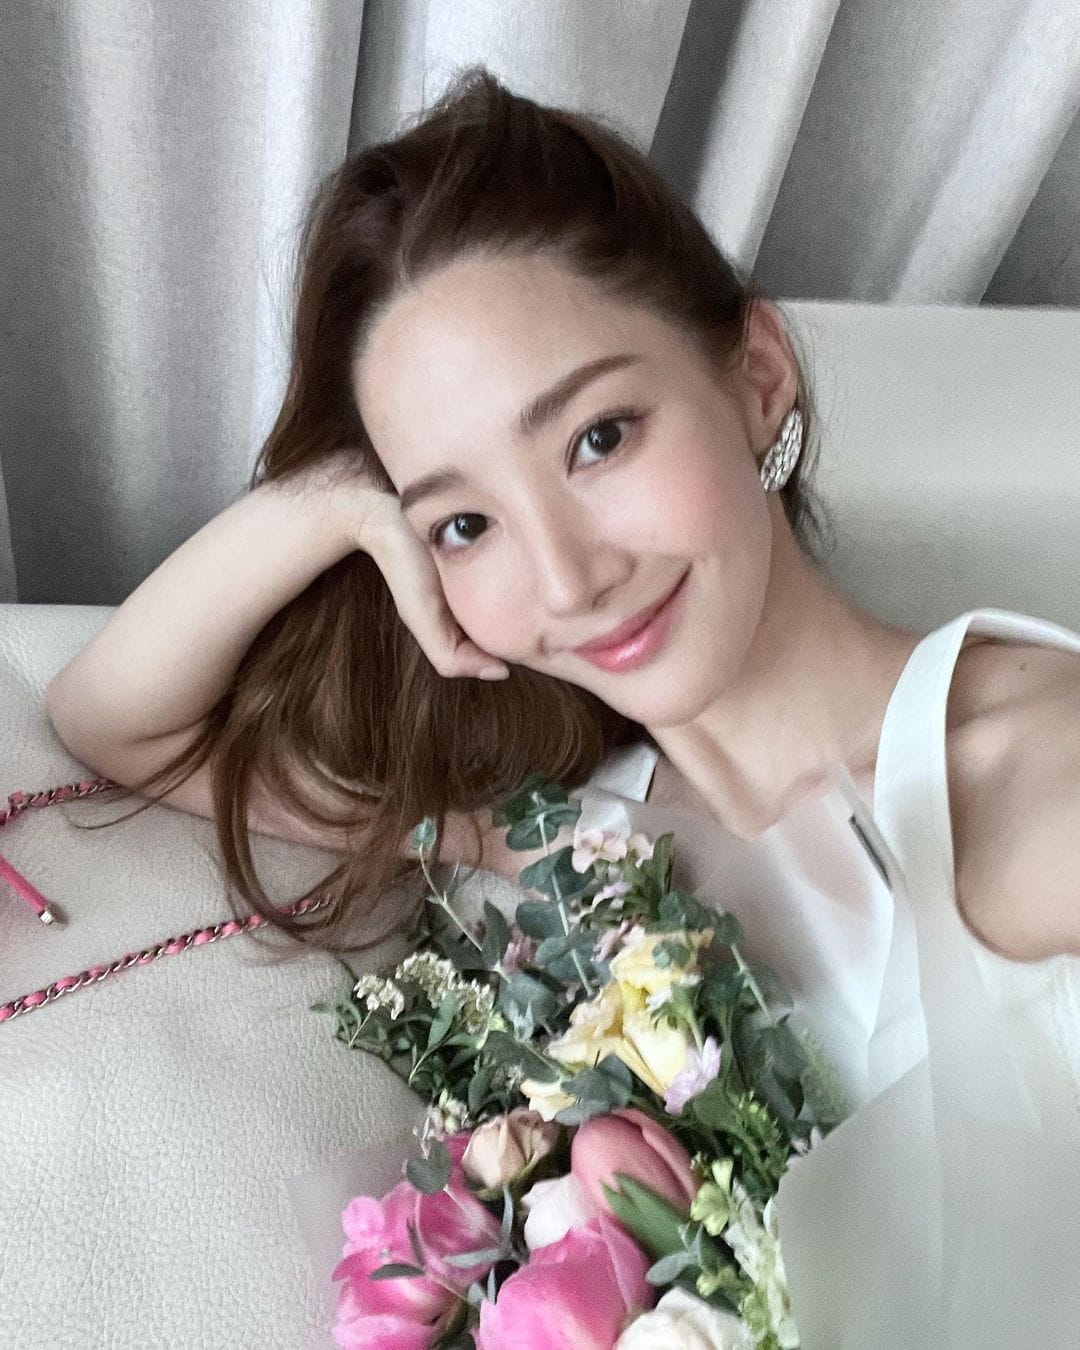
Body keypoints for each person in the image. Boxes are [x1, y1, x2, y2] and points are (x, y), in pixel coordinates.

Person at [44, 66, 1080, 1346]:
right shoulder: (572, 848)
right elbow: (115, 720)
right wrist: (336, 500)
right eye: (467, 524)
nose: (568, 579)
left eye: (599, 437)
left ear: (758, 376)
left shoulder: (1034, 788)